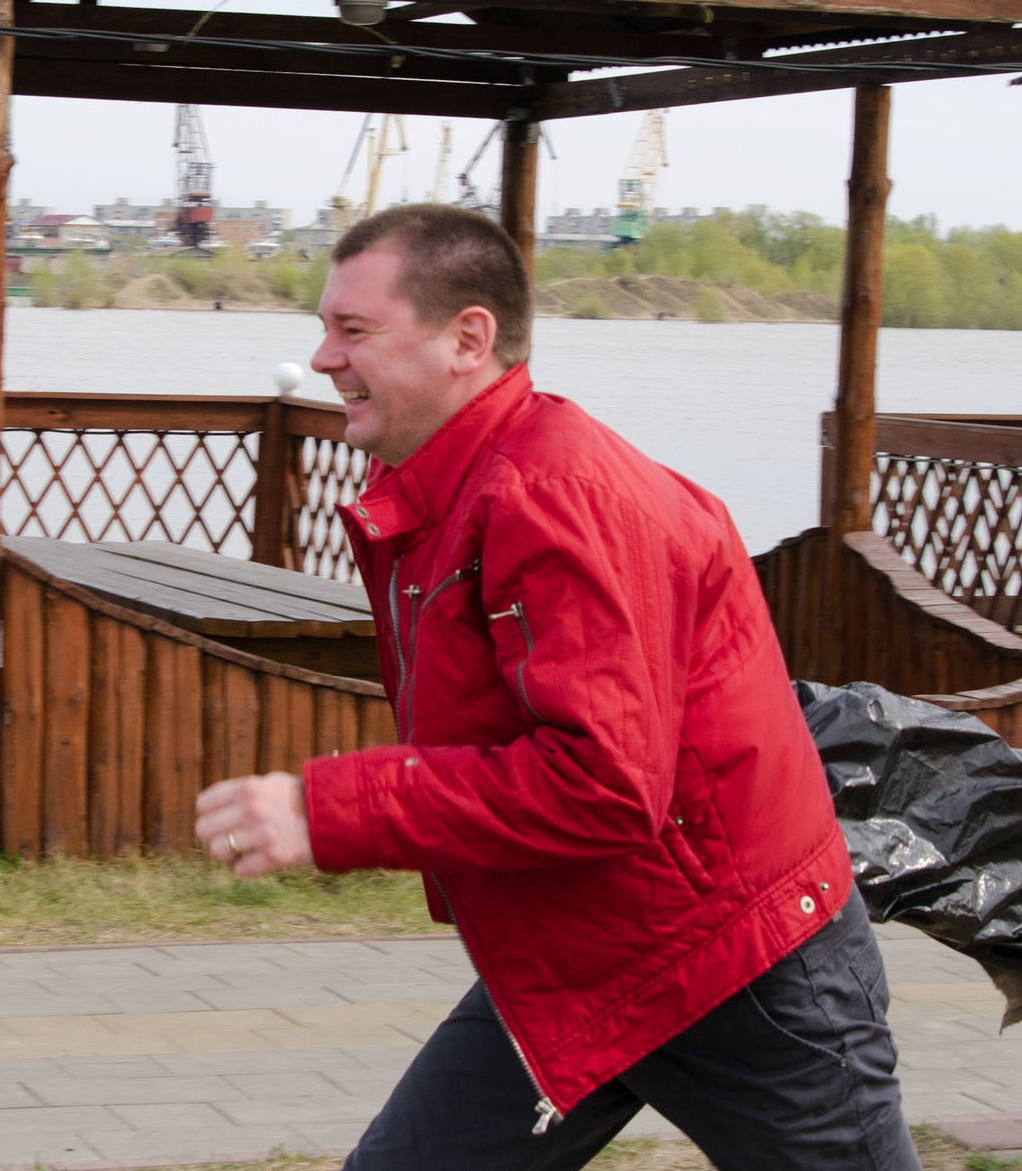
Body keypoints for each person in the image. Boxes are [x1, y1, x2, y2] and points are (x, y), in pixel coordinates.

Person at [195, 204, 915, 1171]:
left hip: (742, 969)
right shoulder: (456, 488)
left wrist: (331, 810)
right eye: (326, 328)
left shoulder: (553, 496)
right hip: (586, 954)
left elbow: (603, 782)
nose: (323, 357)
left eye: (353, 330)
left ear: (468, 339)